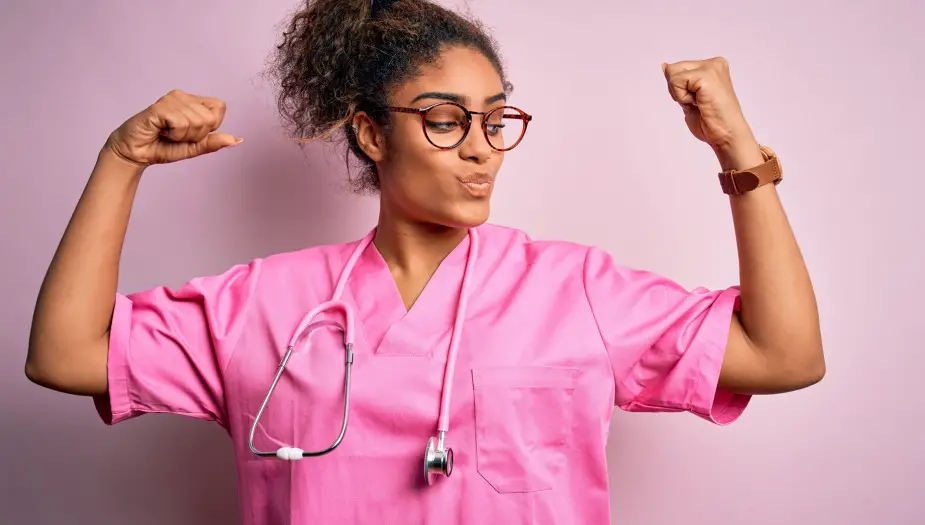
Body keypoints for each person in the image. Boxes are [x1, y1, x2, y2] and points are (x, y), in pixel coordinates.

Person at [25, 0, 825, 523]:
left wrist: (737, 152)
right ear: (372, 134)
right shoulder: (267, 303)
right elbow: (65, 355)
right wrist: (119, 161)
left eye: (495, 120)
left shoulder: (574, 290)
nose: (480, 149)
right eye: (445, 120)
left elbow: (783, 355)